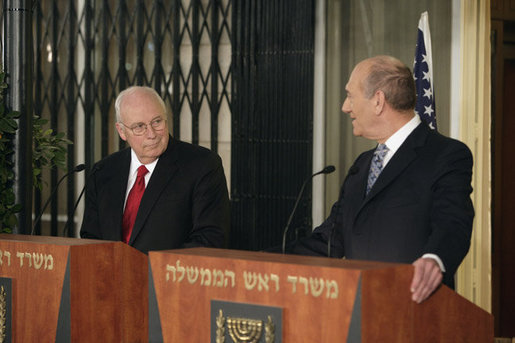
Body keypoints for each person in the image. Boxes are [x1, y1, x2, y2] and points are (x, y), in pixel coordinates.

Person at [286, 55, 474, 303]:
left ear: (378, 101)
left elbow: (453, 223)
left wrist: (434, 259)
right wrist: (256, 260)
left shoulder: (445, 155)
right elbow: (330, 241)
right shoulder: (362, 165)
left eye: (350, 96)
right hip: (360, 313)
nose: (345, 106)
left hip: (414, 313)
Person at [80, 86, 230, 253]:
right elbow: (91, 238)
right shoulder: (103, 171)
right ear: (122, 131)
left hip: (168, 276)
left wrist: (154, 270)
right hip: (111, 277)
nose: (151, 134)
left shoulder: (202, 165)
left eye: (157, 122)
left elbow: (209, 238)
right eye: (139, 126)